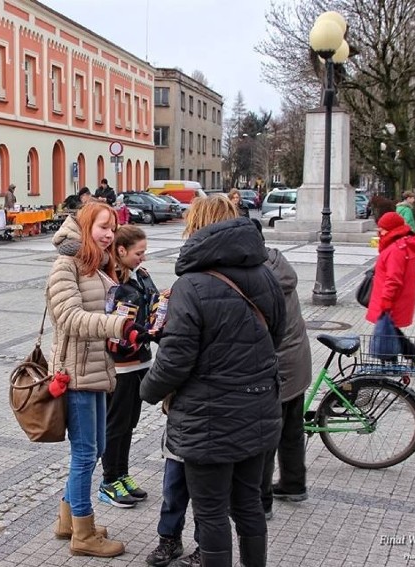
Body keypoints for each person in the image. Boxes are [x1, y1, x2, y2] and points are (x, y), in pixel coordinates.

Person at [140, 194, 285, 567]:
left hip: (208, 420)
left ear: (197, 228)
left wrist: (147, 390)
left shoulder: (192, 284)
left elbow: (175, 360)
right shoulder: (265, 274)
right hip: (258, 409)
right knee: (249, 505)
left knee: (212, 513)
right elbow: (276, 339)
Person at [48, 202, 151, 558]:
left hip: (97, 369)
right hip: (75, 373)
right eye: (103, 227)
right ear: (86, 224)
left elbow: (105, 307)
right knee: (85, 453)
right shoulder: (66, 265)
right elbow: (69, 317)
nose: (109, 234)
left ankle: (68, 519)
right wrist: (116, 326)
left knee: (96, 448)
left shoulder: (95, 264)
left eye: (113, 227)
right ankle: (84, 532)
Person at [98, 225, 158, 509]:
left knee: (130, 423)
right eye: (139, 253)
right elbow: (110, 326)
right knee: (116, 424)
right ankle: (109, 481)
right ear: (121, 251)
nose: (142, 258)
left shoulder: (141, 276)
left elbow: (152, 303)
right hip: (120, 366)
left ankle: (122, 473)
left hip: (142, 360)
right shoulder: (111, 283)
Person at [261, 247, 312, 517]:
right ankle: (294, 484)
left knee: (266, 434)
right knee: (292, 427)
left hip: (279, 364)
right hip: (298, 359)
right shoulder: (278, 263)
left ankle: (261, 501)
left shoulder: (260, 279)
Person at [366, 212, 415, 352]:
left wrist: (386, 300)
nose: (379, 230)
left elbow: (393, 278)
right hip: (394, 296)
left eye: (382, 228)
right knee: (389, 330)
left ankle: (407, 358)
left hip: (391, 298)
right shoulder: (400, 244)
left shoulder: (396, 249)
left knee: (386, 332)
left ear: (392, 229)